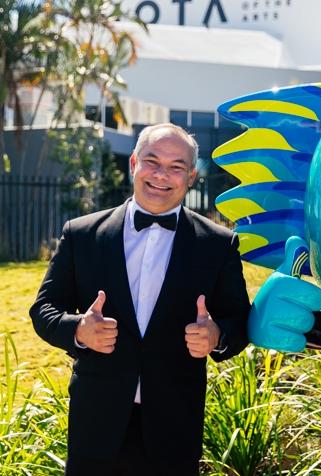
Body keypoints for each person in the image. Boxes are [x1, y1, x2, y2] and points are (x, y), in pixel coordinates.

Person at [30, 123, 251, 475]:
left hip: (173, 434)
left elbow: (240, 320)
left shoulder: (218, 244)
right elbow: (44, 309)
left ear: (191, 176)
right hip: (95, 430)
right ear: (134, 162)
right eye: (152, 161)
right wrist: (79, 331)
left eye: (176, 166)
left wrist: (217, 336)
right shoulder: (83, 234)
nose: (161, 175)